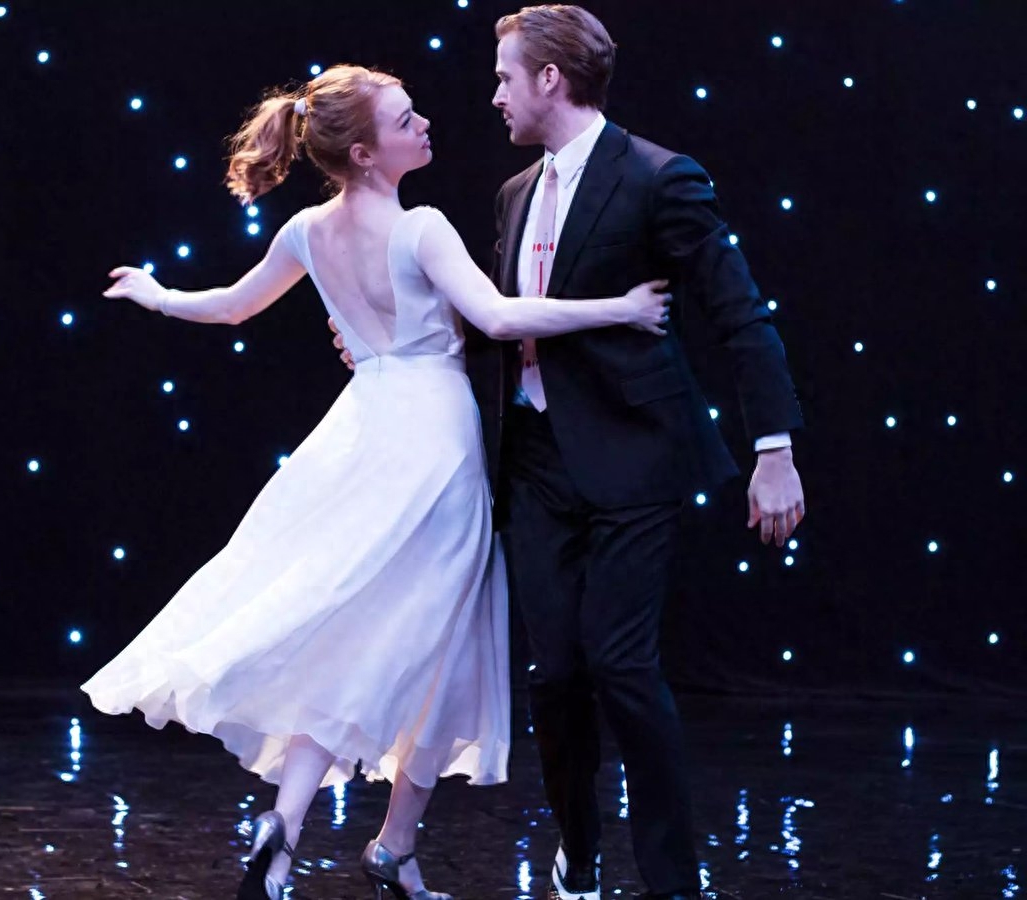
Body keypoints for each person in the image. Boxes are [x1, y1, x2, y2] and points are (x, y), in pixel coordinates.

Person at [82, 63, 673, 900]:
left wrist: (158, 295)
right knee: (440, 642)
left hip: (363, 433)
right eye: (404, 120)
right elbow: (499, 317)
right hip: (433, 442)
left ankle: (292, 826)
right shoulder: (420, 228)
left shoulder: (306, 232)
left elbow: (232, 306)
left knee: (359, 633)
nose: (424, 124)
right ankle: (391, 844)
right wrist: (620, 308)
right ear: (363, 153)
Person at [332, 7, 807, 899]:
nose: (494, 95)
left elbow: (739, 312)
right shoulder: (516, 193)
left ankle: (672, 880)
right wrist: (385, 344)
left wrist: (773, 447)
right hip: (536, 461)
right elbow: (502, 320)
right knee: (556, 676)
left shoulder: (658, 177)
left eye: (505, 77)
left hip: (633, 456)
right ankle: (578, 852)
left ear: (549, 79)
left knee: (622, 665)